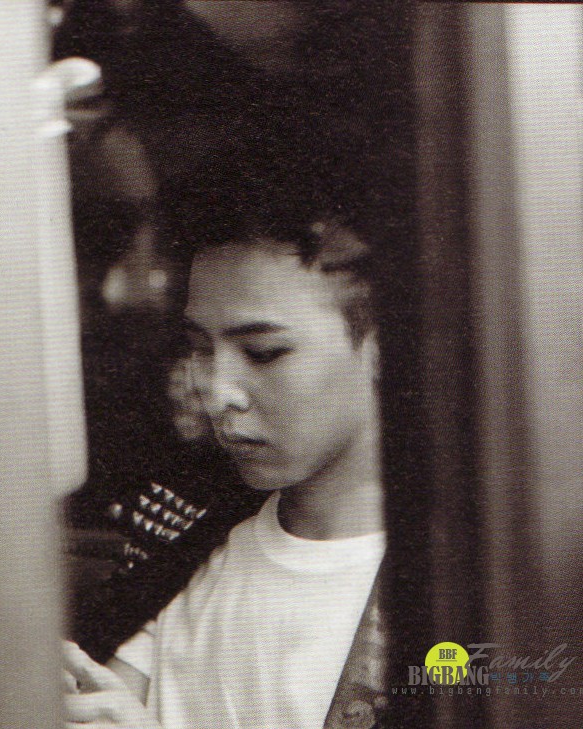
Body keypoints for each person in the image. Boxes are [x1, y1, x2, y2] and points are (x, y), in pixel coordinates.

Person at [63, 211, 390, 728]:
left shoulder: (455, 583)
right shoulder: (185, 542)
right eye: (200, 348)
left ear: (382, 349)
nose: (217, 393)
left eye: (263, 353)